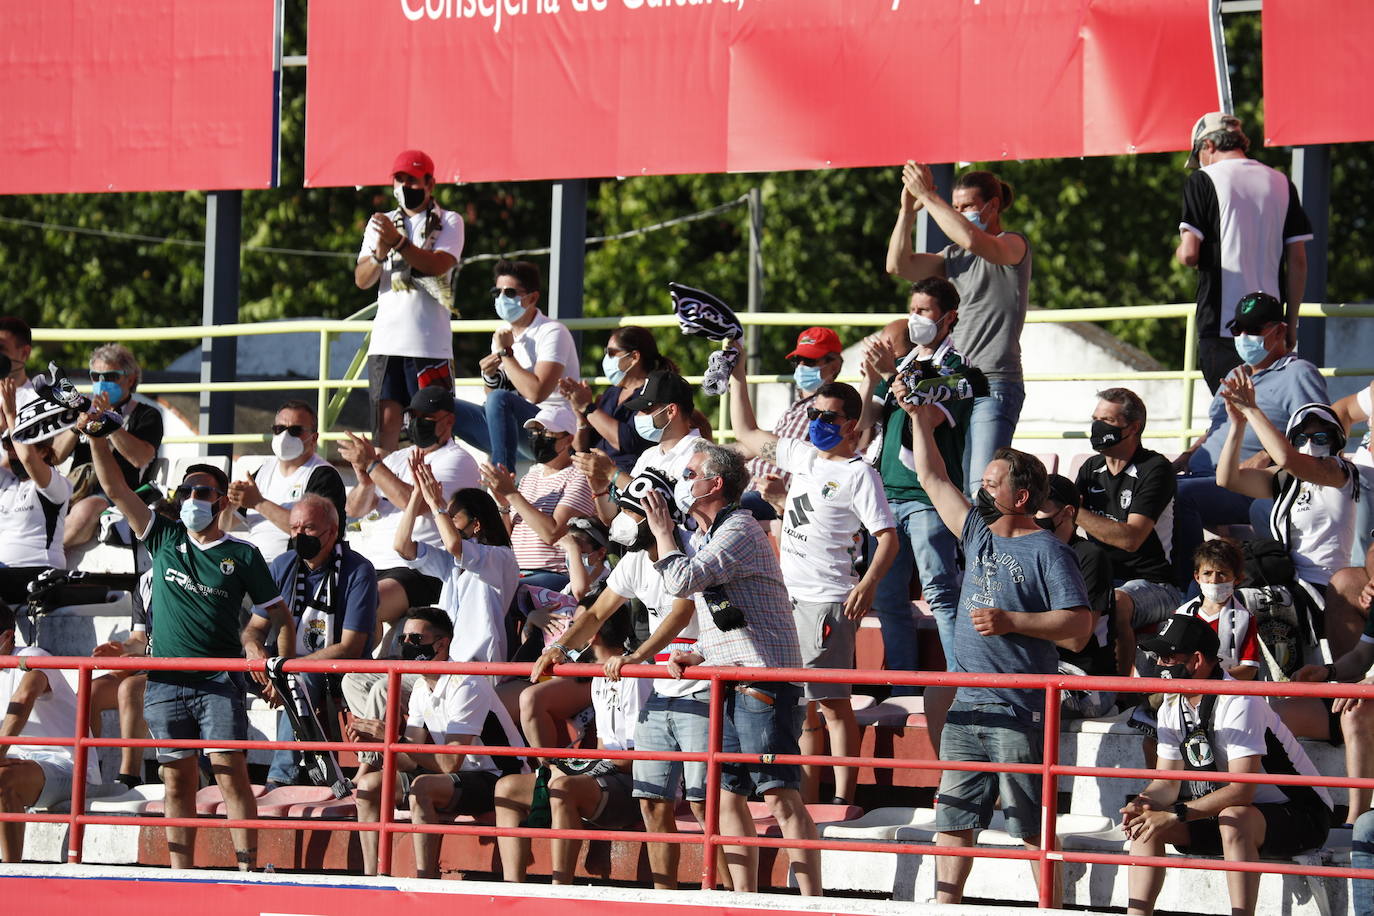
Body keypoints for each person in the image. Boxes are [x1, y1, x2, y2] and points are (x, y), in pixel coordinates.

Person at [80, 411, 292, 872]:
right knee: (176, 782)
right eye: (186, 492)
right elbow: (115, 488)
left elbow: (278, 615)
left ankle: (248, 871)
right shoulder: (164, 535)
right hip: (165, 680)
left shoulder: (244, 553)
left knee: (230, 776)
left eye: (203, 492)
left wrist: (274, 661)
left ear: (219, 502)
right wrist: (96, 436)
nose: (193, 499)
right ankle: (181, 873)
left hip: (220, 681)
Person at [901, 400, 1090, 907]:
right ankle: (947, 906)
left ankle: (1051, 906)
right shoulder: (977, 533)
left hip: (1019, 710)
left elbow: (1079, 630)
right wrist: (919, 420)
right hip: (966, 706)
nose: (982, 489)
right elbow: (931, 476)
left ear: (1021, 496)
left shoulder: (1051, 551)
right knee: (954, 821)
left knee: (1031, 826)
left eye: (992, 483)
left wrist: (1013, 622)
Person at [640, 442, 822, 896]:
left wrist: (663, 532)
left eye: (688, 474)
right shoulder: (714, 534)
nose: (681, 483)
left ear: (714, 484)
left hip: (762, 682)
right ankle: (745, 899)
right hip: (733, 679)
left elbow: (682, 579)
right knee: (727, 797)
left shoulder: (738, 527)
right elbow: (737, 617)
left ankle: (814, 903)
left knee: (779, 795)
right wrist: (699, 652)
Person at [728, 344, 896, 805]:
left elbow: (888, 538)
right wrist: (740, 374)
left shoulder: (860, 474)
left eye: (829, 416)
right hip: (789, 599)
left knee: (833, 704)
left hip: (828, 599)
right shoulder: (804, 457)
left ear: (851, 425)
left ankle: (844, 798)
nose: (819, 421)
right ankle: (810, 796)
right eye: (816, 413)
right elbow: (744, 430)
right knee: (804, 710)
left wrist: (868, 584)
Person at [528, 468, 711, 890]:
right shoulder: (631, 561)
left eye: (631, 510)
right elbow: (594, 613)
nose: (623, 519)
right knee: (653, 805)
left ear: (657, 512)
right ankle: (667, 899)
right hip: (662, 691)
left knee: (705, 809)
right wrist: (559, 648)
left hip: (700, 686)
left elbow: (681, 612)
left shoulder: (690, 550)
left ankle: (716, 899)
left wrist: (636, 656)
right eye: (623, 509)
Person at [1123, 614, 1332, 916]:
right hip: (1222, 813)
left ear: (1196, 660)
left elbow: (1241, 791)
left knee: (1236, 816)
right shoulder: (1172, 702)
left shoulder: (1239, 699)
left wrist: (1176, 813)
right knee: (1146, 825)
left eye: (1168, 657)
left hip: (1300, 813)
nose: (1159, 665)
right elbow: (1166, 782)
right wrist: (1144, 803)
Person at [349, 607, 526, 879]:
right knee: (370, 785)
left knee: (423, 787)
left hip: (496, 775)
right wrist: (383, 742)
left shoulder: (467, 683)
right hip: (456, 775)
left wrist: (395, 739)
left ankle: (424, 879)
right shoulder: (421, 687)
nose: (407, 645)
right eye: (402, 639)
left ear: (442, 644)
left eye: (415, 640)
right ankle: (373, 877)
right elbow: (410, 757)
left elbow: (448, 761)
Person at [886, 165, 1031, 494]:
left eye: (966, 206)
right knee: (944, 482)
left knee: (982, 487)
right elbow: (898, 265)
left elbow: (970, 236)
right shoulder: (953, 256)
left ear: (992, 206)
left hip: (993, 381)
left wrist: (927, 194)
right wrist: (907, 209)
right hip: (951, 381)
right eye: (956, 207)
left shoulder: (1012, 243)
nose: (959, 213)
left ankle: (985, 547)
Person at [1171, 292, 1327, 587]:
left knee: (1177, 496)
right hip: (1204, 475)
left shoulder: (1298, 373)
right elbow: (1215, 428)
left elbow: (1318, 433)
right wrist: (1184, 457)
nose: (1243, 337)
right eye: (1237, 329)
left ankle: (1186, 588)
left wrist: (1266, 457)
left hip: (1249, 483)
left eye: (1253, 330)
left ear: (1280, 330)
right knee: (1145, 484)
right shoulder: (1236, 373)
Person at [860, 276, 970, 695]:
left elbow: (928, 416)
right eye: (913, 310)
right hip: (886, 498)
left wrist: (892, 377)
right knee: (888, 598)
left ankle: (964, 685)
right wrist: (873, 380)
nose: (915, 320)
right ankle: (904, 686)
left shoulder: (957, 369)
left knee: (941, 593)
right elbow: (864, 429)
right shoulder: (904, 367)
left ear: (948, 318)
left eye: (924, 312)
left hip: (929, 501)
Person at [1217, 374, 1374, 655]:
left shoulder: (1340, 473)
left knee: (1252, 604)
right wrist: (1237, 426)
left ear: (1337, 441)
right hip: (1285, 582)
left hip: (1324, 590)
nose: (1310, 443)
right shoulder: (1287, 480)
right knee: (1214, 599)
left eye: (1320, 436)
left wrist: (1253, 409)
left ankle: (1283, 686)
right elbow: (1227, 479)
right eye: (1301, 437)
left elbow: (1288, 458)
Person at [495, 607, 650, 885]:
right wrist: (569, 766)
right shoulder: (598, 675)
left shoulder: (638, 675)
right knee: (507, 787)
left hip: (637, 785)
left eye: (576, 624)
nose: (568, 632)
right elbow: (605, 747)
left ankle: (560, 887)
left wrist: (575, 769)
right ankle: (512, 888)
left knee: (562, 786)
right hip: (608, 774)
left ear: (593, 634)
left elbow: (633, 761)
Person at [241, 495, 377, 790]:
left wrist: (284, 672)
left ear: (333, 532)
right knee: (222, 676)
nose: (299, 536)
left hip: (334, 672)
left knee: (298, 681)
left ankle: (279, 779)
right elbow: (254, 628)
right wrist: (255, 652)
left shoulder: (358, 570)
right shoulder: (283, 564)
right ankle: (216, 771)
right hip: (282, 664)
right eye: (294, 528)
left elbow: (350, 647)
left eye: (309, 528)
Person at [1176, 112, 1313, 393]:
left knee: (1233, 419)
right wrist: (1291, 324)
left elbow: (1190, 254)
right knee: (1268, 417)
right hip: (1272, 328)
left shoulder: (1203, 180)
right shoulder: (1281, 182)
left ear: (1209, 146)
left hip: (1223, 326)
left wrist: (1180, 251)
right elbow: (1298, 261)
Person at [340, 386, 479, 637]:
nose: (414, 423)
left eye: (423, 418)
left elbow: (415, 502)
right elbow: (353, 509)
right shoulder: (396, 459)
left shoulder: (457, 460)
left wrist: (372, 465)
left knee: (361, 604)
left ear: (448, 421)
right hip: (373, 562)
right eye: (411, 416)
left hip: (416, 566)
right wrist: (365, 480)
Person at [355, 149, 462, 453]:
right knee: (386, 421)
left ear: (430, 184)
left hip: (429, 342)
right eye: (399, 180)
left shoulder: (449, 221)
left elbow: (437, 265)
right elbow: (362, 279)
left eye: (412, 180)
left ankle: (432, 487)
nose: (405, 187)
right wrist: (379, 251)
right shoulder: (382, 222)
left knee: (431, 424)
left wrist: (398, 242)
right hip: (387, 341)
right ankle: (386, 492)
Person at [1074, 388, 1180, 675]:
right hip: (1102, 578)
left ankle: (1120, 694)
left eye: (1106, 420)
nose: (1097, 427)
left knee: (1117, 602)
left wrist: (1071, 510)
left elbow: (1131, 539)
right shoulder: (1090, 468)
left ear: (1132, 428)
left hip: (1156, 585)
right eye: (1095, 418)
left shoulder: (1154, 468)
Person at [453, 259, 578, 471]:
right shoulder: (502, 333)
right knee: (441, 404)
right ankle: (446, 471)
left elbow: (537, 393)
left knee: (500, 399)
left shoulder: (553, 332)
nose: (501, 299)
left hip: (549, 430)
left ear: (533, 297)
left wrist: (505, 354)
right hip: (512, 431)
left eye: (510, 293)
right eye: (496, 292)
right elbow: (492, 394)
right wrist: (490, 375)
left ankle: (503, 474)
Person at [0, 601, 101, 862]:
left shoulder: (34, 655)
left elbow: (23, 698)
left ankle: (11, 873)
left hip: (71, 767)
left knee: (2, 779)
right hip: (23, 763)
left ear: (7, 637)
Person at [53, 344, 163, 548]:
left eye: (110, 377)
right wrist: (77, 428)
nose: (101, 383)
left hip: (122, 495)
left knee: (88, 508)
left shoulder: (147, 415)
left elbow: (141, 458)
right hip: (77, 490)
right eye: (96, 376)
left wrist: (108, 422)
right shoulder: (82, 409)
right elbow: (55, 456)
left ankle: (41, 562)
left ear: (130, 379)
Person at [480, 404, 596, 593]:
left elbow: (553, 533)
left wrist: (512, 495)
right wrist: (504, 507)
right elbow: (508, 539)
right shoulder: (530, 477)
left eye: (547, 433)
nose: (538, 438)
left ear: (569, 439)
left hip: (552, 574)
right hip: (517, 572)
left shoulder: (579, 476)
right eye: (535, 432)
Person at [1034, 475, 1119, 719]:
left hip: (1088, 681)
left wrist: (1013, 623)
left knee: (1030, 698)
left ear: (1067, 512)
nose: (1032, 515)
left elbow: (1075, 639)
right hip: (1040, 667)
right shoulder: (1027, 552)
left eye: (1040, 508)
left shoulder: (1090, 556)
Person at [220, 400, 346, 564]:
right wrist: (228, 507)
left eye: (295, 430)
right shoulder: (263, 471)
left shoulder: (324, 476)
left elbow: (314, 533)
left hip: (292, 569)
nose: (285, 436)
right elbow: (226, 526)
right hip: (253, 565)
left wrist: (259, 503)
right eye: (279, 429)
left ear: (313, 438)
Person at [576, 370, 703, 528]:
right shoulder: (648, 456)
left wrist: (612, 473)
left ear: (671, 411)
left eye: (647, 409)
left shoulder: (701, 455)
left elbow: (666, 509)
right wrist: (600, 491)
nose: (638, 415)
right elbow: (613, 518)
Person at [561, 326, 683, 475]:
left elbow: (629, 442)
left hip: (626, 479)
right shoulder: (611, 393)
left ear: (634, 357)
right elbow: (579, 450)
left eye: (611, 353)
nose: (606, 359)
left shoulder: (653, 393)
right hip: (592, 479)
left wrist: (588, 407)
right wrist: (581, 419)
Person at [742, 326, 845, 502]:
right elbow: (753, 444)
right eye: (798, 360)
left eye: (810, 360)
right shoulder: (796, 407)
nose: (802, 366)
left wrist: (738, 374)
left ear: (834, 366)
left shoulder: (829, 411)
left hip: (771, 500)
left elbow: (757, 441)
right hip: (756, 491)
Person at [0, 379, 72, 605]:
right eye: (7, 445)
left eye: (15, 443)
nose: (11, 451)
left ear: (43, 451)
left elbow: (27, 458)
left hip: (41, 573)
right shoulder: (7, 482)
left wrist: (12, 414)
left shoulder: (55, 484)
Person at [1169, 540, 1262, 679]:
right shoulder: (1182, 614)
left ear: (1237, 579)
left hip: (1227, 694)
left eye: (1222, 573)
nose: (1214, 580)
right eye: (1207, 573)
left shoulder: (1244, 618)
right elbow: (1170, 662)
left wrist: (1211, 679)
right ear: (1197, 577)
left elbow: (1249, 669)